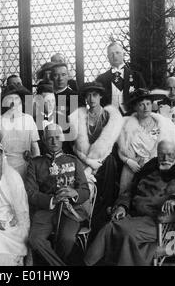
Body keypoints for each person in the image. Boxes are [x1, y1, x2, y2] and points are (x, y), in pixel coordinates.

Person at [84, 140, 175, 266]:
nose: (165, 158)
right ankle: (87, 263)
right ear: (157, 153)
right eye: (161, 154)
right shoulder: (150, 168)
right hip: (136, 216)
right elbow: (130, 191)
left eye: (170, 154)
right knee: (108, 228)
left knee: (127, 233)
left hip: (163, 222)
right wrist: (122, 206)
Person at [25, 124, 90, 266]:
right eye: (50, 139)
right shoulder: (35, 164)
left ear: (62, 139)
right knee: (35, 239)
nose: (54, 142)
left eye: (57, 138)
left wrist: (74, 193)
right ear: (43, 140)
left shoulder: (73, 161)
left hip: (70, 211)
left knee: (67, 239)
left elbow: (85, 190)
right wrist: (52, 200)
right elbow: (30, 193)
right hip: (45, 211)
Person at [69, 82, 124, 236]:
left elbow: (110, 145)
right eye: (88, 95)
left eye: (95, 95)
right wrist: (87, 162)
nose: (91, 98)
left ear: (100, 96)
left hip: (104, 160)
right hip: (83, 159)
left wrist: (96, 163)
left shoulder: (109, 117)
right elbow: (74, 146)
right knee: (81, 184)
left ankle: (102, 223)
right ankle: (83, 220)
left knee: (109, 166)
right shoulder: (79, 117)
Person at [118, 88, 175, 196]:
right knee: (128, 188)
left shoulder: (164, 125)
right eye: (141, 104)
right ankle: (123, 206)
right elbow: (122, 149)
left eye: (148, 104)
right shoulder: (126, 126)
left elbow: (171, 147)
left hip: (158, 163)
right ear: (135, 107)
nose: (146, 108)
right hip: (136, 165)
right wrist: (129, 161)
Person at [0, 84, 40, 179]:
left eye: (16, 98)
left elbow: (35, 147)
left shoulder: (28, 119)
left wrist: (36, 168)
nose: (13, 102)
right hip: (4, 166)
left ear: (21, 101)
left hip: (25, 166)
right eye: (10, 98)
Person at [95, 42, 146, 114]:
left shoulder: (136, 76)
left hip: (132, 118)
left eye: (117, 52)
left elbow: (144, 100)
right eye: (111, 54)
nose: (114, 56)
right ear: (108, 57)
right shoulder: (101, 79)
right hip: (109, 120)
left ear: (123, 54)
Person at [33, 82, 72, 155]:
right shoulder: (32, 121)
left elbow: (67, 145)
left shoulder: (63, 118)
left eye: (53, 100)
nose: (51, 104)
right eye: (47, 101)